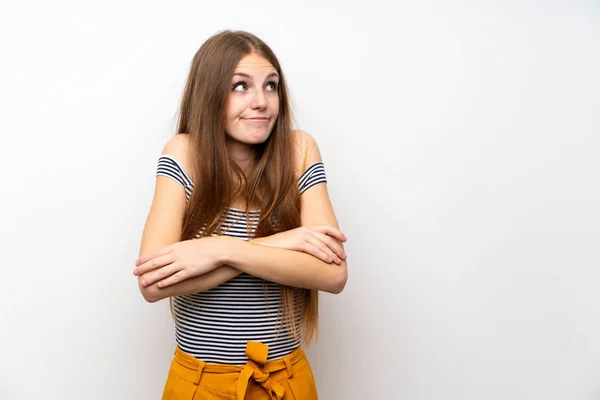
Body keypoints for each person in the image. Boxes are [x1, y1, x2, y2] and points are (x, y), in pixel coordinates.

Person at [132, 30, 348, 400]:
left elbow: (332, 273)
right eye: (240, 86)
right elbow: (154, 283)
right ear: (210, 94)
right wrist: (283, 242)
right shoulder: (183, 153)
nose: (261, 101)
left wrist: (220, 250)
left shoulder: (299, 150)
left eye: (270, 85)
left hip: (286, 381)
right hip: (199, 385)